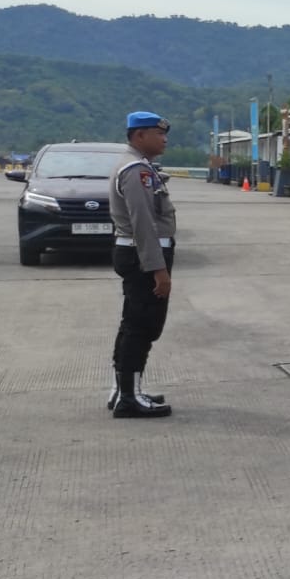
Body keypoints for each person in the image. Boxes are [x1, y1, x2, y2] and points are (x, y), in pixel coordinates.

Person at [109, 111, 177, 418]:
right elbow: (143, 224)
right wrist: (158, 269)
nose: (164, 139)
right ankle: (129, 398)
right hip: (143, 256)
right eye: (158, 133)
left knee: (133, 323)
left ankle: (124, 389)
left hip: (138, 254)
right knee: (142, 325)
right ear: (139, 136)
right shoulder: (136, 171)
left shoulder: (139, 167)